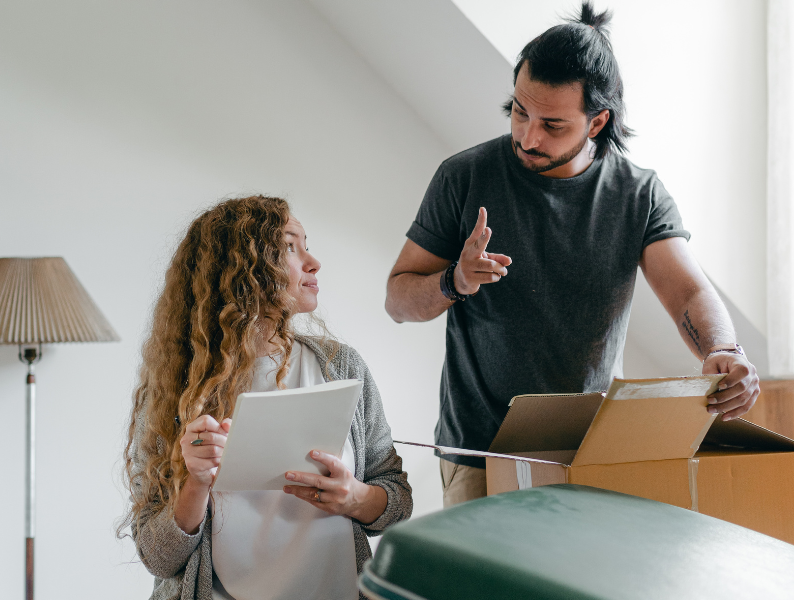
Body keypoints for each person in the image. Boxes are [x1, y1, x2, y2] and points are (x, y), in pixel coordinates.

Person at [385, 2, 760, 508]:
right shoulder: (464, 176)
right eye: (520, 111)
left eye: (553, 125)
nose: (528, 136)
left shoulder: (638, 194)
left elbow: (688, 289)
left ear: (597, 121)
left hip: (588, 449)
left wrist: (724, 350)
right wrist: (455, 280)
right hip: (479, 452)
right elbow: (398, 301)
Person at [119, 196, 412, 600]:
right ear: (241, 268)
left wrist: (356, 498)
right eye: (290, 247)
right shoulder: (176, 390)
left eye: (307, 244)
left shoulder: (341, 366)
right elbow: (158, 558)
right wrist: (195, 484)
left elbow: (397, 501)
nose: (313, 262)